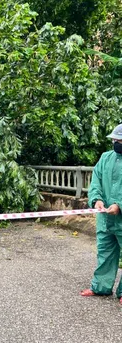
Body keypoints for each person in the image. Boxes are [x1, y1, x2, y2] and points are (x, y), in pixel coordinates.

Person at [80, 123, 122, 303]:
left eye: (118, 140)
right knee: (105, 253)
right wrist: (96, 199)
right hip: (105, 219)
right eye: (114, 139)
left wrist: (119, 205)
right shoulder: (105, 158)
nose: (115, 142)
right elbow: (95, 181)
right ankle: (101, 287)